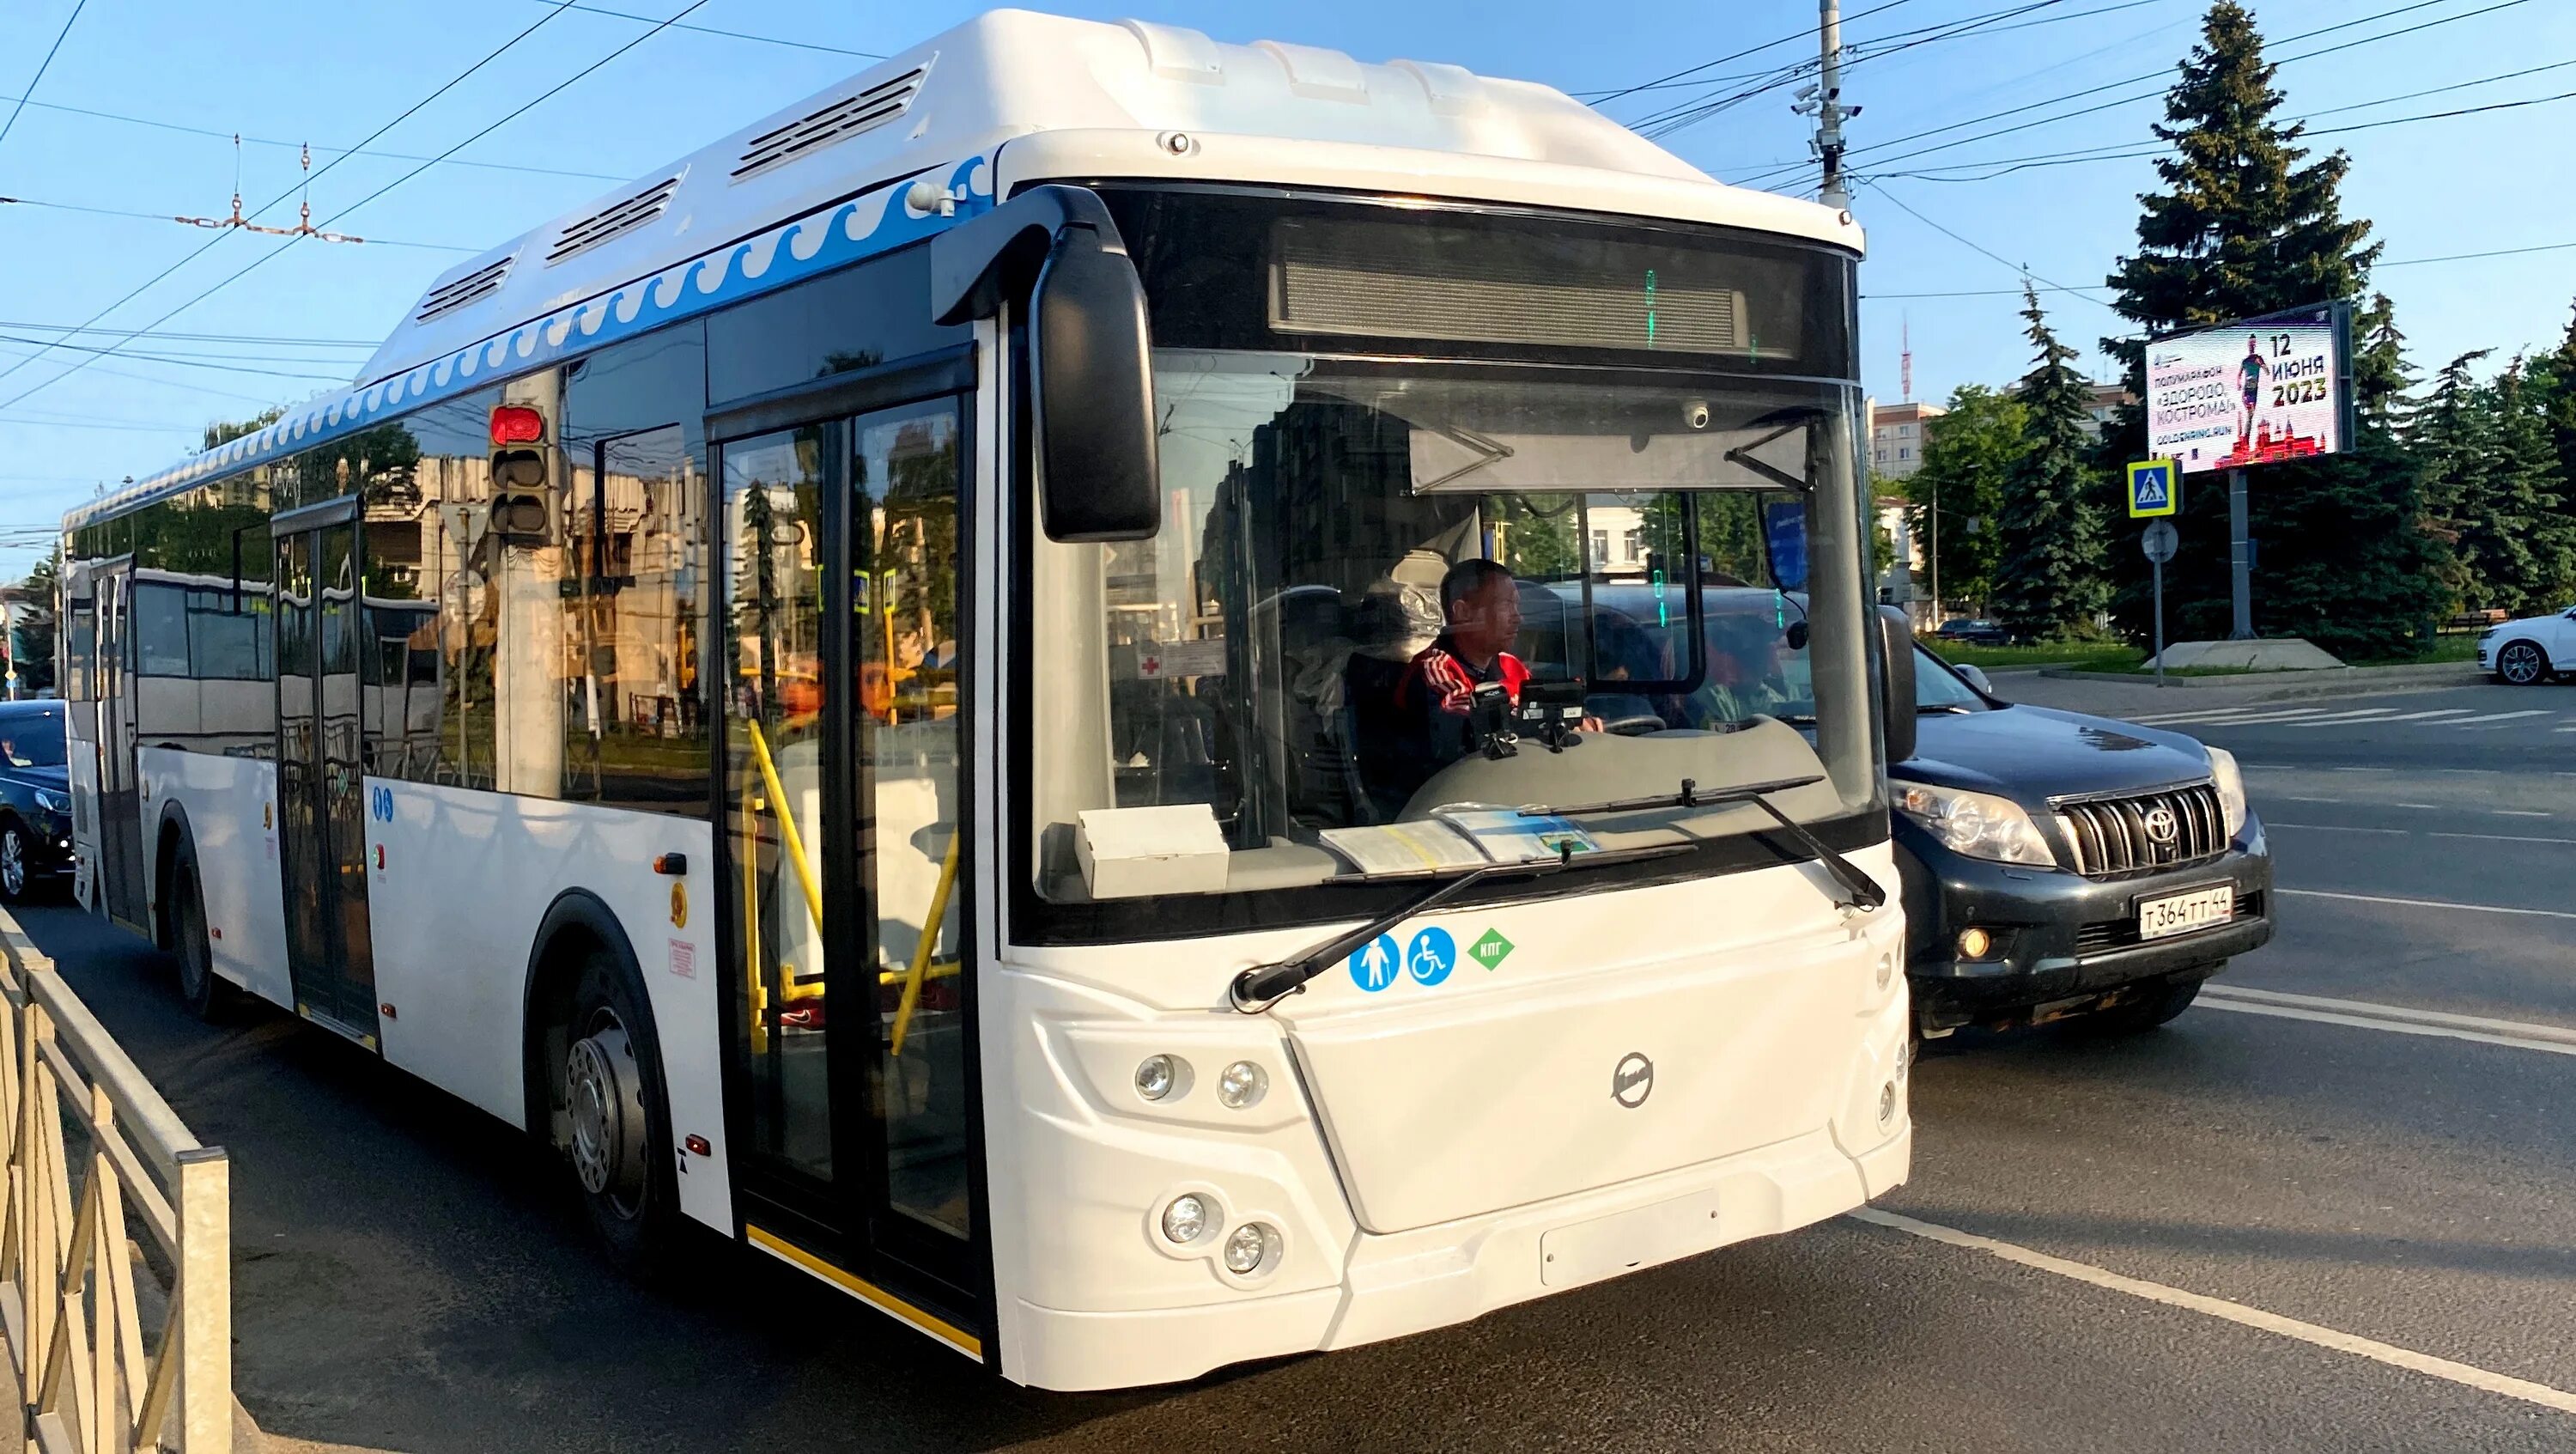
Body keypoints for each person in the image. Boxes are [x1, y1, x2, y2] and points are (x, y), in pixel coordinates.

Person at [1382, 559, 1530, 804]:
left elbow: (1539, 706)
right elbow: (1469, 718)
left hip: (1502, 787)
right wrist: (1530, 723)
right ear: (1462, 613)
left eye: (1517, 605)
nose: (1518, 618)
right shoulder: (1434, 668)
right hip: (1443, 799)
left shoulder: (1511, 666)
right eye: (1506, 605)